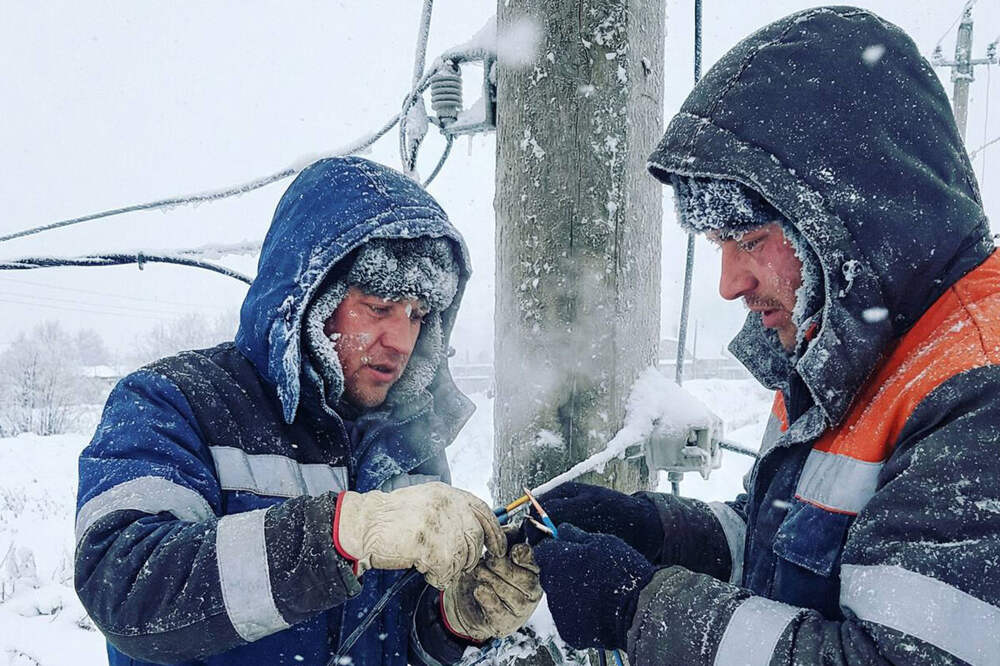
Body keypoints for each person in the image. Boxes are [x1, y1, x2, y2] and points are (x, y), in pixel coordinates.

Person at [528, 7, 1000, 665]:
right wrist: (657, 531)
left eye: (749, 240)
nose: (729, 284)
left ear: (850, 221)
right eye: (717, 244)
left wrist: (639, 609)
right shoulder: (841, 348)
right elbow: (778, 547)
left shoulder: (977, 389)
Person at [74, 156, 540, 666]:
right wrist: (342, 534)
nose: (401, 340)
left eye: (417, 314)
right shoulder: (174, 402)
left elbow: (389, 641)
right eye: (379, 308)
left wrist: (451, 623)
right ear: (309, 298)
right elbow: (125, 588)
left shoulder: (407, 444)